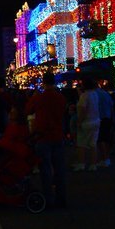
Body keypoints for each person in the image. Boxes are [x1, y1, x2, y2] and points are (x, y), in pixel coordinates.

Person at [26, 71, 68, 208]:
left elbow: (27, 110)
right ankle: (61, 197)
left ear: (43, 82)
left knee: (45, 169)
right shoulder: (60, 97)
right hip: (57, 134)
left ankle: (48, 198)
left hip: (42, 136)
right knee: (59, 169)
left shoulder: (39, 97)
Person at [74, 77, 100, 171]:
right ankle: (93, 164)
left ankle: (81, 164)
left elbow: (82, 110)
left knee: (81, 144)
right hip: (96, 120)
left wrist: (79, 122)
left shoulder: (84, 96)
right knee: (93, 144)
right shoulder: (95, 94)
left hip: (86, 122)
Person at [95, 82, 115, 168]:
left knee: (100, 140)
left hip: (100, 118)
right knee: (106, 139)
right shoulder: (105, 94)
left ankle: (104, 158)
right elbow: (112, 106)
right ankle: (106, 158)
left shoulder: (94, 94)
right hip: (108, 117)